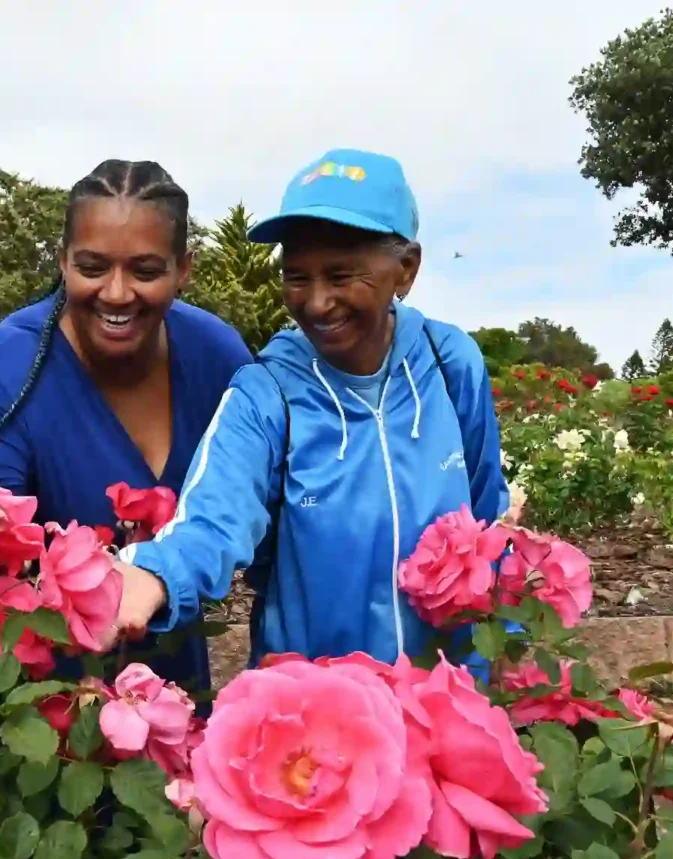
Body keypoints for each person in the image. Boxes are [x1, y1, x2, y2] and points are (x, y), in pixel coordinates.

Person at [114, 149, 508, 667]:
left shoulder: (448, 363)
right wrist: (155, 573)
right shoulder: (267, 393)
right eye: (297, 277)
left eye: (341, 276)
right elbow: (214, 515)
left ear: (405, 269)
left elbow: (486, 518)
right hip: (316, 704)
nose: (317, 303)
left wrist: (503, 647)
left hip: (445, 694)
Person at [0, 160, 253, 692]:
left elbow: (252, 503)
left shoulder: (217, 357)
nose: (117, 293)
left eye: (146, 271)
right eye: (92, 267)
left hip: (178, 702)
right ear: (63, 261)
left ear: (184, 269)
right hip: (36, 711)